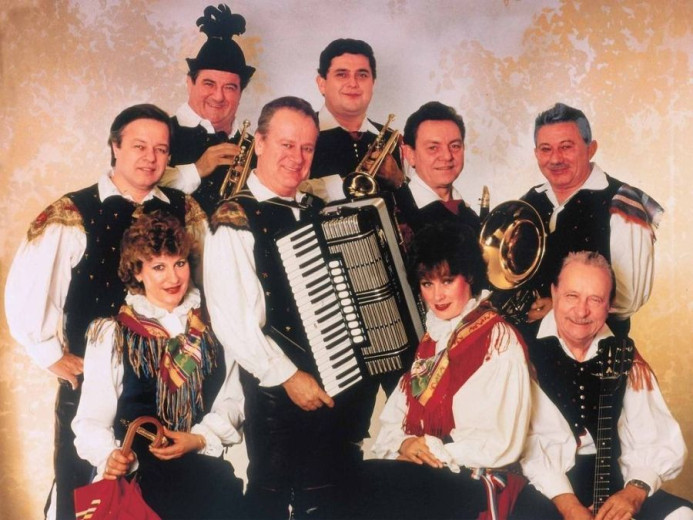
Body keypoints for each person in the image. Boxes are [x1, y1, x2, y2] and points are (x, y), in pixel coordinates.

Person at [4, 104, 207, 520]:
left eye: (161, 149)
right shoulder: (74, 212)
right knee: (86, 498)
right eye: (139, 146)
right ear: (114, 147)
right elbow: (27, 291)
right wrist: (49, 354)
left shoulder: (185, 211)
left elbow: (206, 290)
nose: (150, 158)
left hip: (169, 393)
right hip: (92, 391)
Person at [205, 96, 359, 518]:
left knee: (328, 500)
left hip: (333, 385)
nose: (297, 158)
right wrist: (289, 377)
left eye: (307, 148)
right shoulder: (233, 218)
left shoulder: (317, 210)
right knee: (273, 499)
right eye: (287, 145)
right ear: (260, 142)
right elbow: (233, 323)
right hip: (276, 393)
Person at [350, 221, 532, 520]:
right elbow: (395, 419)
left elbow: (501, 440)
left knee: (379, 484)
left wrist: (434, 450)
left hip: (476, 475)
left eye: (447, 280)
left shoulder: (498, 339)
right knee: (355, 479)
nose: (437, 296)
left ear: (469, 276)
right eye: (427, 284)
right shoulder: (430, 340)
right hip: (428, 473)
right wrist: (406, 443)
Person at [72, 211, 244, 519]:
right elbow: (91, 419)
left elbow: (232, 400)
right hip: (138, 483)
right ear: (137, 272)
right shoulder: (113, 334)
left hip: (203, 479)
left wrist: (198, 438)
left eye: (180, 263)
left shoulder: (215, 325)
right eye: (159, 267)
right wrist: (109, 456)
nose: (173, 278)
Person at [512, 251, 693, 520]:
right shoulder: (522, 350)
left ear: (609, 305)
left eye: (595, 300)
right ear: (554, 292)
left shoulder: (625, 356)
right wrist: (569, 506)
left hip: (617, 479)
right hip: (548, 486)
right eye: (572, 296)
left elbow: (654, 438)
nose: (582, 311)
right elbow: (531, 448)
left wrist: (633, 492)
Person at [516, 102, 662, 337]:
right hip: (526, 346)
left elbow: (628, 300)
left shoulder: (622, 202)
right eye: (545, 149)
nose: (555, 159)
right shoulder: (529, 201)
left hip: (593, 354)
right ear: (536, 154)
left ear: (591, 148)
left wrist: (562, 309)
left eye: (566, 147)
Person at [161, 3, 256, 216]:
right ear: (190, 83)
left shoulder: (255, 147)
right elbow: (130, 183)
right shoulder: (160, 132)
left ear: (241, 92)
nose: (218, 96)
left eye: (230, 87)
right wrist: (197, 169)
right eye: (209, 84)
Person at [304, 38, 404, 202]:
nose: (353, 83)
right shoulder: (298, 133)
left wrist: (398, 180)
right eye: (341, 74)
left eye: (362, 75)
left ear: (373, 84)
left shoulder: (394, 140)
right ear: (322, 84)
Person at [393, 101, 481, 246]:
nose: (447, 156)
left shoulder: (470, 216)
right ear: (410, 154)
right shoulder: (396, 215)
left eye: (455, 146)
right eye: (433, 147)